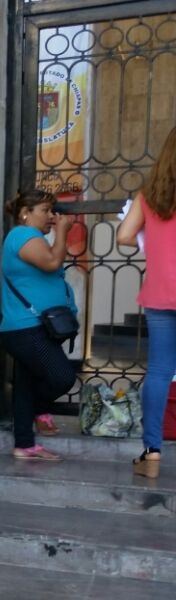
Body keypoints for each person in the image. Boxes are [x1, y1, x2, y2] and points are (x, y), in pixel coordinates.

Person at [0, 189, 77, 461]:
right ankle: (39, 410)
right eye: (45, 210)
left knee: (26, 384)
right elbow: (52, 262)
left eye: (53, 211)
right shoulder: (22, 235)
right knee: (62, 377)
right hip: (26, 328)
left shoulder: (33, 238)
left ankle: (24, 445)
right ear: (25, 213)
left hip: (33, 327)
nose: (52, 216)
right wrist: (62, 232)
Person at [119, 126, 176, 478]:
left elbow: (124, 236)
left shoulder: (150, 196)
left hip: (161, 292)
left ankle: (152, 452)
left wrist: (152, 239)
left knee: (159, 371)